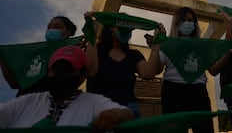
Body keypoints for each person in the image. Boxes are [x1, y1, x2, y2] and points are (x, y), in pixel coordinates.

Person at [0, 45, 133, 130]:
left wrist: (116, 114)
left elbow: (126, 114)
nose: (60, 75)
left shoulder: (94, 102)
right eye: (56, 70)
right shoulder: (26, 102)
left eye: (67, 70)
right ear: (48, 72)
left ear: (82, 75)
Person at [86, 13, 164, 119]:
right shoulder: (97, 50)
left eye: (128, 28)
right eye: (121, 26)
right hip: (98, 111)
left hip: (128, 111)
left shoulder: (134, 55)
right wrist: (91, 34)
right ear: (110, 28)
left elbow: (148, 74)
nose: (125, 31)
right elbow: (91, 71)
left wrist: (157, 44)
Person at [155, 6, 219, 133]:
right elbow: (157, 70)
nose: (187, 23)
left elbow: (214, 70)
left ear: (195, 24)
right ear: (176, 24)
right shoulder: (168, 44)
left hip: (198, 92)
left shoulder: (202, 46)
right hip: (173, 92)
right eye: (182, 20)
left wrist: (228, 52)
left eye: (190, 20)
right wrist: (155, 47)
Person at [0, 16, 77, 97]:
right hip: (23, 104)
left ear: (68, 31)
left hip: (50, 103)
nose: (51, 30)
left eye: (57, 27)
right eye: (49, 27)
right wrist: (2, 58)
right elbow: (14, 84)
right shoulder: (36, 55)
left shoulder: (72, 52)